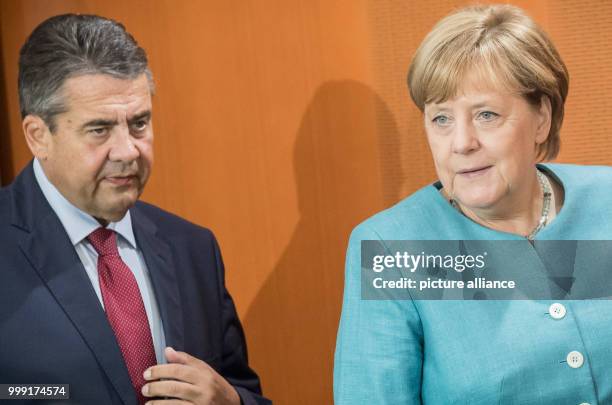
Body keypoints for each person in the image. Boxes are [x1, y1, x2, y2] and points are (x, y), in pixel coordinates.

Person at [334, 4, 612, 404]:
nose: (461, 143)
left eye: (486, 114)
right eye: (441, 119)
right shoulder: (391, 250)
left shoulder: (605, 203)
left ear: (541, 119)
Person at [0, 14, 271, 405]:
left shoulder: (193, 248)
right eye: (99, 129)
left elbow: (245, 390)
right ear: (38, 136)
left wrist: (230, 401)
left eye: (139, 123)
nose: (128, 151)